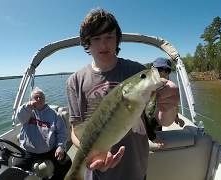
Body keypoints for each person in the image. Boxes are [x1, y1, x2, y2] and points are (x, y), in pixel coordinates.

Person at [66, 8, 179, 180]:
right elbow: (76, 130)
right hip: (97, 174)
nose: (103, 45)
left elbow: (165, 120)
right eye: (96, 38)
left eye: (109, 37)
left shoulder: (137, 70)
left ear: (117, 39)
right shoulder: (75, 81)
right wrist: (95, 155)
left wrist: (170, 104)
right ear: (87, 42)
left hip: (136, 168)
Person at [12, 87, 72, 179]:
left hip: (50, 150)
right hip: (28, 150)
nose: (39, 99)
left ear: (45, 99)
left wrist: (60, 146)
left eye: (41, 97)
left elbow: (62, 132)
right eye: (36, 97)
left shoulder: (54, 114)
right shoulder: (27, 112)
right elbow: (19, 117)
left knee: (66, 162)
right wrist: (27, 107)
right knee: (16, 166)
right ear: (31, 100)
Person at [145, 57, 185, 150]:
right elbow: (143, 114)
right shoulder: (146, 86)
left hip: (159, 120)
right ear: (152, 70)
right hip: (146, 124)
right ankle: (151, 138)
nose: (163, 73)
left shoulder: (168, 88)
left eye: (167, 70)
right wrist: (152, 137)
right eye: (159, 69)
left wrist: (176, 118)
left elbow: (172, 104)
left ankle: (156, 136)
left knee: (159, 129)